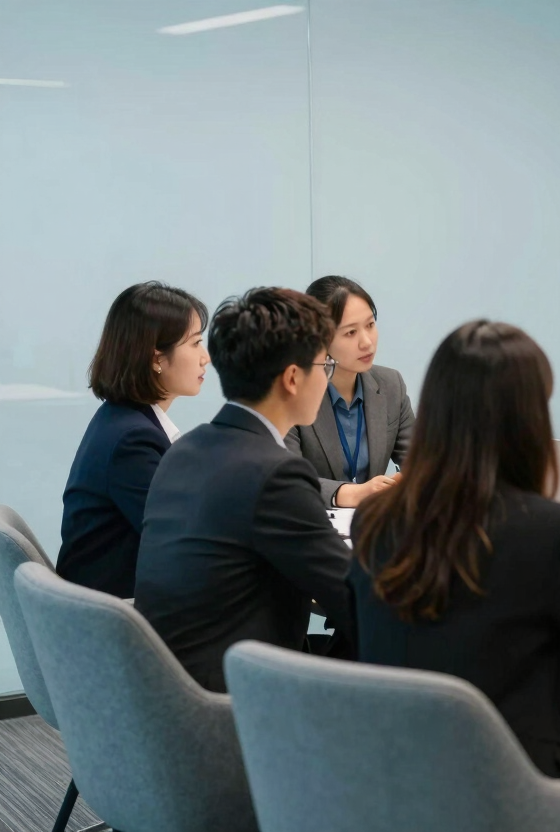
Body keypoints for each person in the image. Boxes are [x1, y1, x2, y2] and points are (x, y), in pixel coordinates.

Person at [349, 319, 560, 779]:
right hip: (503, 794)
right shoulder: (548, 532)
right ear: (527, 421)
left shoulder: (375, 521)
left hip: (392, 780)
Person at [133, 288, 353, 693]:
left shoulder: (184, 450)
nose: (328, 377)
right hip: (234, 709)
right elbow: (352, 599)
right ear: (292, 378)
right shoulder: (276, 473)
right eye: (325, 364)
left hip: (168, 695)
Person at [58, 282, 208, 598]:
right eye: (195, 344)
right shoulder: (132, 440)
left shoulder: (122, 419)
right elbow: (184, 540)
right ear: (157, 358)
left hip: (112, 609)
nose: (205, 357)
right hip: (118, 623)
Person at [286, 276, 415, 508]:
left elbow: (420, 461)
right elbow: (285, 479)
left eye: (370, 325)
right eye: (350, 333)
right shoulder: (291, 394)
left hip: (372, 529)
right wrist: (350, 493)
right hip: (313, 527)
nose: (367, 342)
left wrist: (409, 480)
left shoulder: (390, 385)